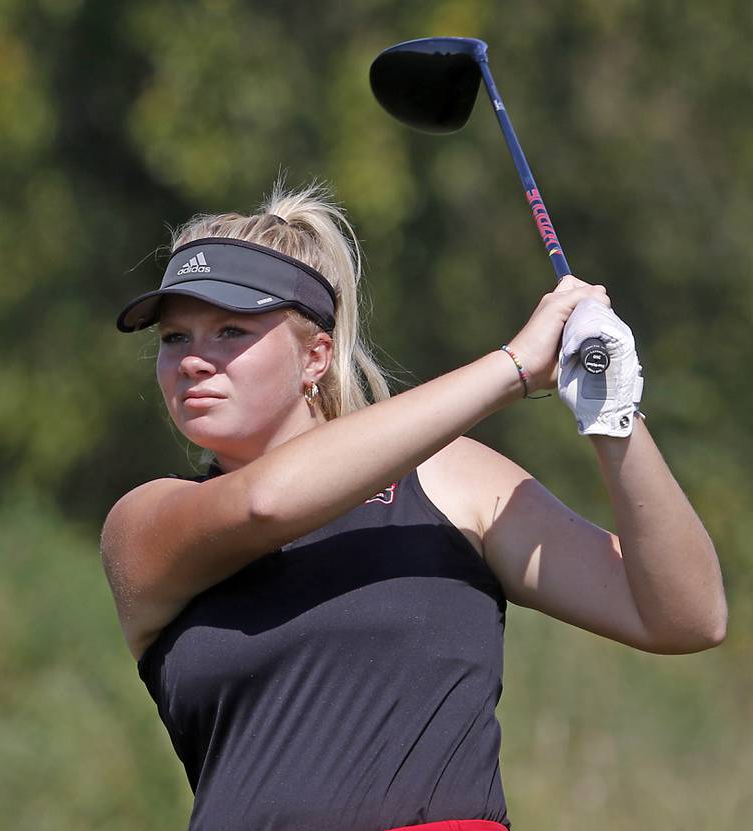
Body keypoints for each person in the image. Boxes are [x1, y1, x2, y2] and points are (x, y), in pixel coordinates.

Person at [101, 181, 727, 831]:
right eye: (175, 337)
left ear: (315, 354)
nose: (194, 361)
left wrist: (614, 415)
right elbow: (266, 503)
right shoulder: (146, 522)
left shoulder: (447, 479)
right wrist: (513, 367)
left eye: (230, 330)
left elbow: (687, 615)